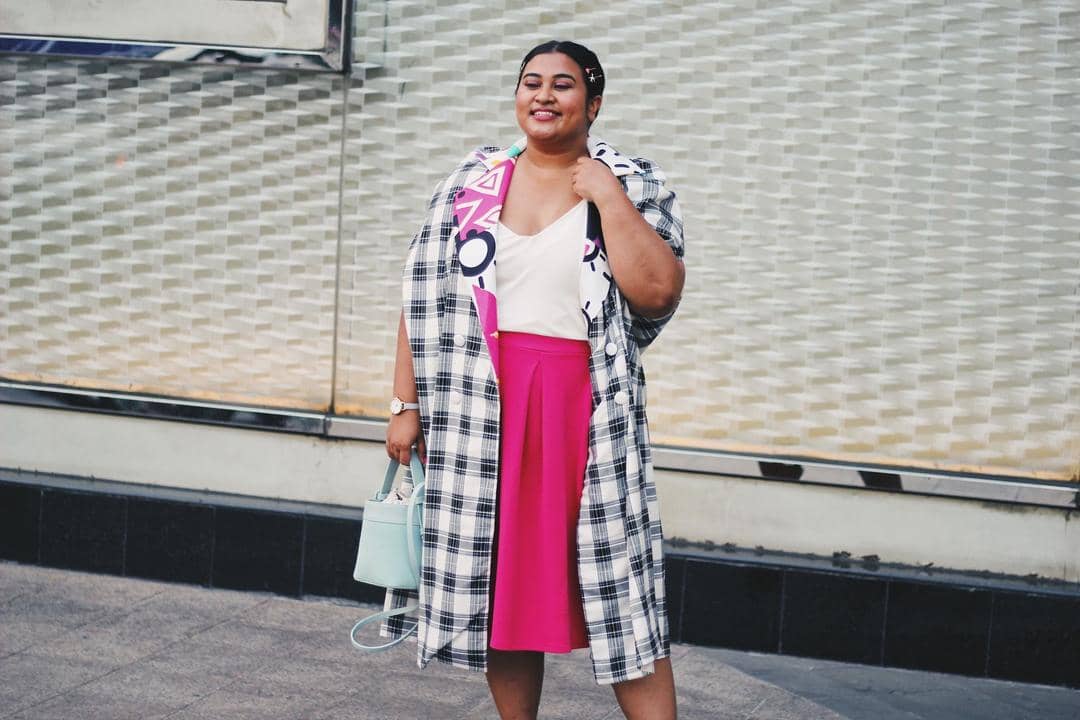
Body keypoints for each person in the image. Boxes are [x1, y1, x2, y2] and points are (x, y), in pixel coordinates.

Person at [384, 40, 685, 720]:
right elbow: (423, 295)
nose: (544, 95)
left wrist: (607, 197)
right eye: (531, 82)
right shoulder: (475, 180)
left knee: (621, 593)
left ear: (593, 103)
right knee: (501, 591)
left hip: (582, 408)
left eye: (563, 84)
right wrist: (406, 403)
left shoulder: (632, 182)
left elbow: (658, 292)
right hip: (478, 405)